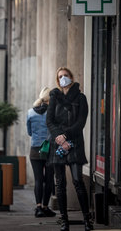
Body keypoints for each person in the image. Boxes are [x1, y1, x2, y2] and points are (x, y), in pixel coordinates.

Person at [46, 67, 93, 231]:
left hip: (74, 143)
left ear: (71, 77)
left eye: (66, 75)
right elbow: (49, 121)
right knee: (59, 184)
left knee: (78, 181)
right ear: (57, 81)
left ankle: (87, 219)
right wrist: (59, 137)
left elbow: (81, 122)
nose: (63, 78)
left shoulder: (81, 98)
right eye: (60, 77)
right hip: (58, 144)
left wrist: (65, 136)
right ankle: (64, 220)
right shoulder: (54, 97)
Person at [26, 86, 56, 218]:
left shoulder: (30, 112)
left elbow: (29, 132)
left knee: (38, 179)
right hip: (49, 149)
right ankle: (45, 207)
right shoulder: (53, 112)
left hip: (35, 149)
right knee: (49, 179)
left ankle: (38, 207)